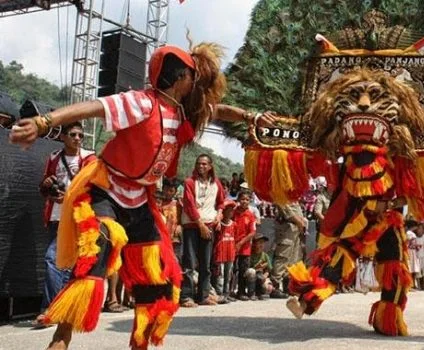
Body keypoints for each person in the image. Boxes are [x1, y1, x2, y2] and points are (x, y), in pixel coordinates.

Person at [9, 43, 276, 349]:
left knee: (155, 274)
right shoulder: (141, 103)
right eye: (193, 76)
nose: (197, 84)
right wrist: (45, 122)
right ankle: (61, 339)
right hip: (106, 189)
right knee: (100, 247)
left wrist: (251, 116)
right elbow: (95, 107)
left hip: (140, 199)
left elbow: (221, 112)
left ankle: (140, 344)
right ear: (181, 78)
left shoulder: (185, 111)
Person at [35, 123, 97, 326]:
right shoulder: (53, 157)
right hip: (56, 216)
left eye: (81, 135)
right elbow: (44, 186)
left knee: (54, 259)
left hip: (79, 217)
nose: (78, 138)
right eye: (73, 135)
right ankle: (61, 310)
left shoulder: (90, 158)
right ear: (63, 137)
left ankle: (52, 309)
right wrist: (46, 185)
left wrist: (68, 197)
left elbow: (93, 188)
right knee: (61, 262)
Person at [180, 154, 226, 306]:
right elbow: (189, 205)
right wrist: (201, 225)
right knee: (189, 262)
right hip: (193, 225)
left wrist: (219, 215)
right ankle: (186, 296)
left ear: (210, 166)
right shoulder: (189, 182)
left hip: (209, 224)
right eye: (199, 164)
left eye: (205, 164)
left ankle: (204, 295)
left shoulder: (216, 183)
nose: (201, 166)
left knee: (206, 264)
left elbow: (220, 203)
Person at [269, 202, 306, 298]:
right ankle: (275, 286)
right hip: (287, 229)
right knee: (282, 257)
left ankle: (288, 286)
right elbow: (287, 211)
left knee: (293, 259)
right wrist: (300, 222)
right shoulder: (282, 195)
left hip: (296, 230)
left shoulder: (294, 197)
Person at [232, 192, 257, 301]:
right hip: (232, 245)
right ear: (238, 200)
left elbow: (252, 232)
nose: (244, 201)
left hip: (244, 247)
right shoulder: (233, 212)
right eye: (242, 199)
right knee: (231, 269)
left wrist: (241, 243)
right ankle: (229, 291)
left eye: (247, 200)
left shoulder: (250, 215)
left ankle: (241, 292)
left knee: (243, 270)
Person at [214, 200, 237, 301]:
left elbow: (236, 237)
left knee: (229, 274)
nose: (229, 212)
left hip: (230, 253)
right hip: (221, 253)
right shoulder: (219, 225)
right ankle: (220, 293)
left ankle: (227, 293)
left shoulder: (234, 225)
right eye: (227, 210)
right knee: (221, 274)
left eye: (231, 210)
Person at [160, 178, 183, 262]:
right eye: (165, 190)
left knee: (175, 260)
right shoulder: (159, 204)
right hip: (161, 238)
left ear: (175, 191)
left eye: (171, 190)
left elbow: (182, 218)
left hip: (175, 238)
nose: (168, 193)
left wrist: (180, 226)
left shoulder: (178, 205)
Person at [245, 234, 272, 300]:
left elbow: (268, 269)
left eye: (262, 243)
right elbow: (247, 270)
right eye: (259, 242)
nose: (261, 245)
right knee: (251, 271)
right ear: (254, 244)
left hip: (261, 275)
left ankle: (260, 293)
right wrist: (256, 267)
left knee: (268, 287)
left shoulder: (265, 255)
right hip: (252, 276)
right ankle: (251, 293)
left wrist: (265, 275)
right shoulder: (250, 255)